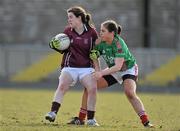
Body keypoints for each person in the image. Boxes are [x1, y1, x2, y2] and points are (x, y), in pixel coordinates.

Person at [67, 20, 154, 128]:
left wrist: (101, 73)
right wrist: (97, 70)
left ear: (112, 33)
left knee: (129, 92)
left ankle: (146, 122)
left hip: (128, 69)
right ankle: (81, 118)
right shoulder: (99, 42)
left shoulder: (119, 44)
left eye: (103, 31)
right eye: (100, 30)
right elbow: (94, 56)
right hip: (113, 70)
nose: (100, 33)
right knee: (89, 87)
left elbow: (118, 66)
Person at [45, 6, 99, 126]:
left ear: (79, 17)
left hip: (86, 68)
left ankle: (91, 119)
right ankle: (53, 113)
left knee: (93, 88)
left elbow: (95, 52)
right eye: (68, 17)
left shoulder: (92, 32)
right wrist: (54, 45)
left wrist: (97, 69)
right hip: (70, 66)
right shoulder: (67, 31)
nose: (69, 20)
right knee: (63, 85)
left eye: (71, 17)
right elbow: (63, 48)